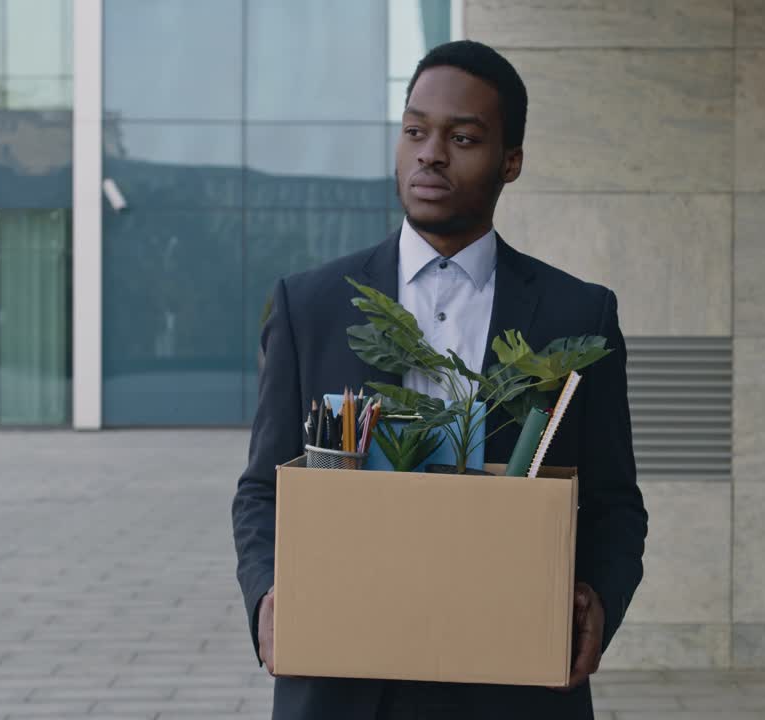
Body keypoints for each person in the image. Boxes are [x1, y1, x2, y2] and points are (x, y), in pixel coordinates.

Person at [232, 39, 648, 720]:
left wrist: (598, 599)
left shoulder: (579, 317)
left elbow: (615, 505)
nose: (430, 154)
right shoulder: (310, 306)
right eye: (415, 131)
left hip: (514, 683)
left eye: (463, 138)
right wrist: (266, 596)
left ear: (511, 161)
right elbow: (262, 490)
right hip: (343, 683)